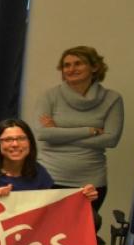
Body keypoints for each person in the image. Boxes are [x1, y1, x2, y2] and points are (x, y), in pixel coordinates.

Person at [35, 45, 122, 212]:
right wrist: (90, 130)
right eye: (66, 65)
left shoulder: (112, 99)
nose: (71, 69)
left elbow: (111, 140)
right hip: (49, 178)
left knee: (81, 235)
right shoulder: (49, 96)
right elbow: (44, 134)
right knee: (46, 234)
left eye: (78, 63)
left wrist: (59, 133)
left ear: (95, 67)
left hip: (91, 182)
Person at [0, 119, 98, 201]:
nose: (15, 144)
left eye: (21, 139)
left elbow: (52, 207)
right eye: (8, 140)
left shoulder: (38, 171)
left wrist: (83, 196)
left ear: (30, 143)